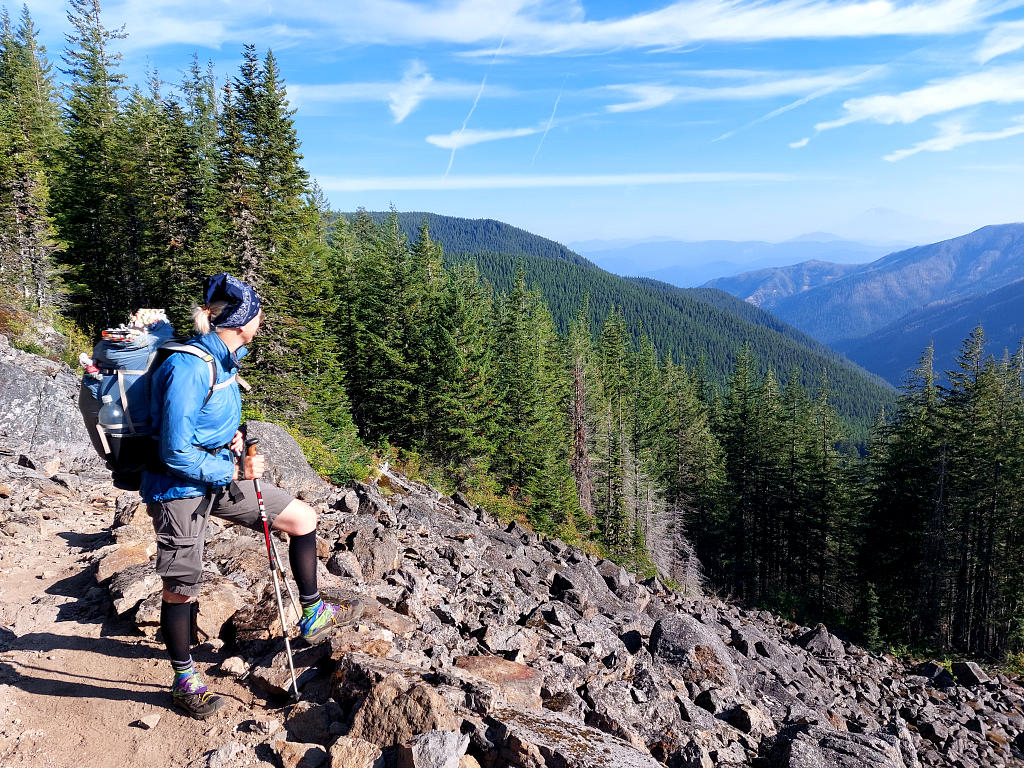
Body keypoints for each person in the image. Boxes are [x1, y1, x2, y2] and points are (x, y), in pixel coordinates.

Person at [141, 272, 361, 719]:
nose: (262, 321)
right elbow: (174, 450)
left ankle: (313, 611)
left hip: (217, 475)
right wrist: (235, 467)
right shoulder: (187, 365)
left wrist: (234, 439)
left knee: (303, 519)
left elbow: (208, 418)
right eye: (258, 314)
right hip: (177, 487)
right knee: (182, 588)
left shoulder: (224, 356)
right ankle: (185, 679)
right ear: (242, 322)